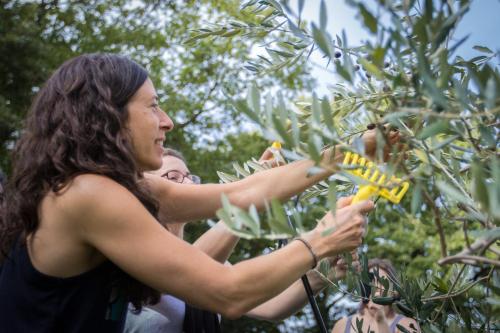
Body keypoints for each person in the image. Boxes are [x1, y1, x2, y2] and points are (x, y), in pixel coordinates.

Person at [0, 53, 398, 332]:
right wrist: (322, 240)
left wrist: (351, 154)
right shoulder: (86, 193)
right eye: (153, 107)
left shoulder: (110, 186)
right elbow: (228, 292)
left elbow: (242, 193)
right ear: (108, 115)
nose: (167, 121)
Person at [125, 148, 357, 332]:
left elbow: (271, 307)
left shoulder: (213, 264)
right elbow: (186, 271)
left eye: (189, 177)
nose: (187, 184)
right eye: (172, 177)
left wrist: (322, 274)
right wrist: (253, 194)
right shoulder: (132, 255)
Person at [331, 259, 420, 333]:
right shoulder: (342, 325)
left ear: (395, 291)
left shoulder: (407, 325)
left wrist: (381, 320)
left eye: (382, 281)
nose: (375, 286)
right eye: (371, 280)